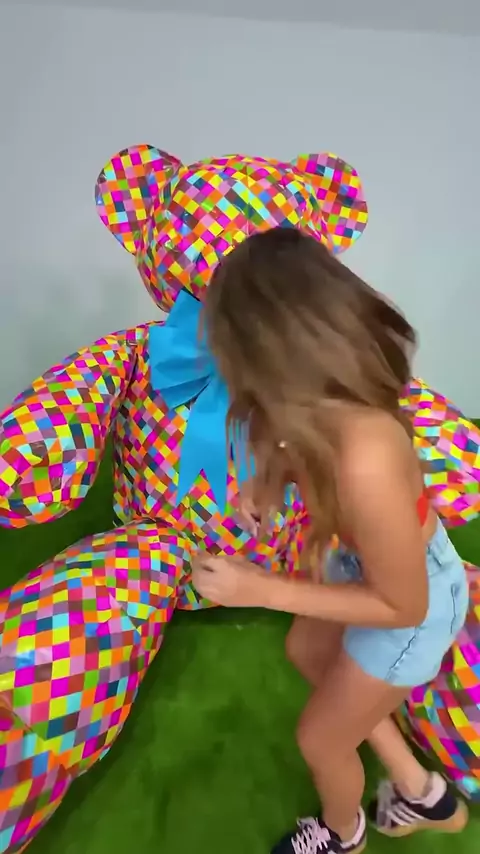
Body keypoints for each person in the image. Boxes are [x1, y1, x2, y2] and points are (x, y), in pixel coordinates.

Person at [191, 227, 470, 854]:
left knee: (319, 741)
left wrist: (261, 589)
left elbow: (404, 605)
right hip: (358, 566)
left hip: (412, 606)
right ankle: (421, 790)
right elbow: (301, 449)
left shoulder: (368, 458)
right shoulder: (317, 404)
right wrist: (267, 483)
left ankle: (343, 835)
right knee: (307, 652)